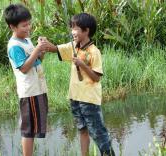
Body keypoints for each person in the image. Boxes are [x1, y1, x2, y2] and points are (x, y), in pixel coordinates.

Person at [44, 13, 115, 156]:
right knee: (82, 130)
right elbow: (55, 49)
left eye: (75, 28)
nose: (72, 32)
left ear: (86, 31)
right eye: (71, 28)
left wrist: (82, 64)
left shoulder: (94, 52)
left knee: (98, 133)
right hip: (75, 97)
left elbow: (96, 77)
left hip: (89, 100)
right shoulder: (73, 46)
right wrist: (45, 43)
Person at [4, 4, 49, 156]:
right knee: (28, 129)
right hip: (28, 91)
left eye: (29, 23)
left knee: (34, 126)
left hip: (38, 88)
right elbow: (23, 68)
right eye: (24, 25)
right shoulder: (14, 46)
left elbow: (37, 61)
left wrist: (41, 50)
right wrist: (37, 49)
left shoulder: (27, 40)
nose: (28, 27)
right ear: (12, 27)